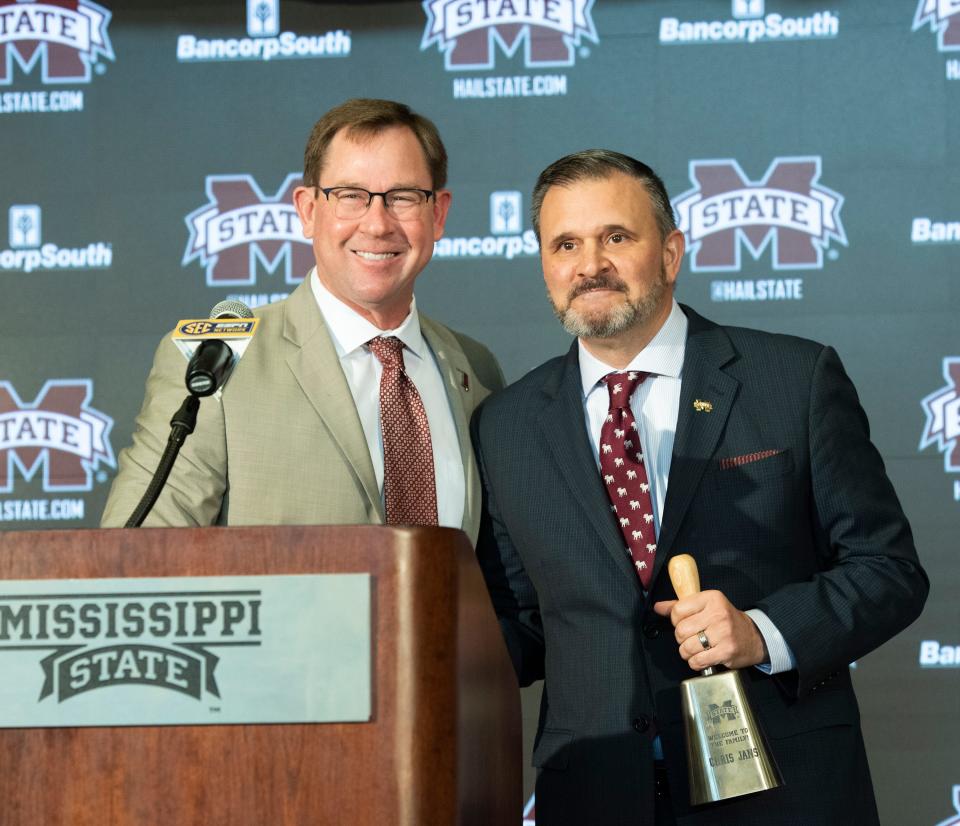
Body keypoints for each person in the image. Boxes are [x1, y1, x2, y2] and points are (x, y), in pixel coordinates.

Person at [471, 149, 928, 825]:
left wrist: (763, 631)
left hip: (782, 789)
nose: (589, 264)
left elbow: (888, 571)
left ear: (672, 252)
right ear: (545, 265)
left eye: (616, 237)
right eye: (565, 244)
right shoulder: (506, 425)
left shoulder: (793, 381)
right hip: (594, 794)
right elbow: (524, 624)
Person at [102, 98, 503, 539]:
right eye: (350, 196)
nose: (377, 224)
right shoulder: (217, 361)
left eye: (403, 197)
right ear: (308, 210)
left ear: (438, 213)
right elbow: (136, 555)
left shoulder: (474, 367)